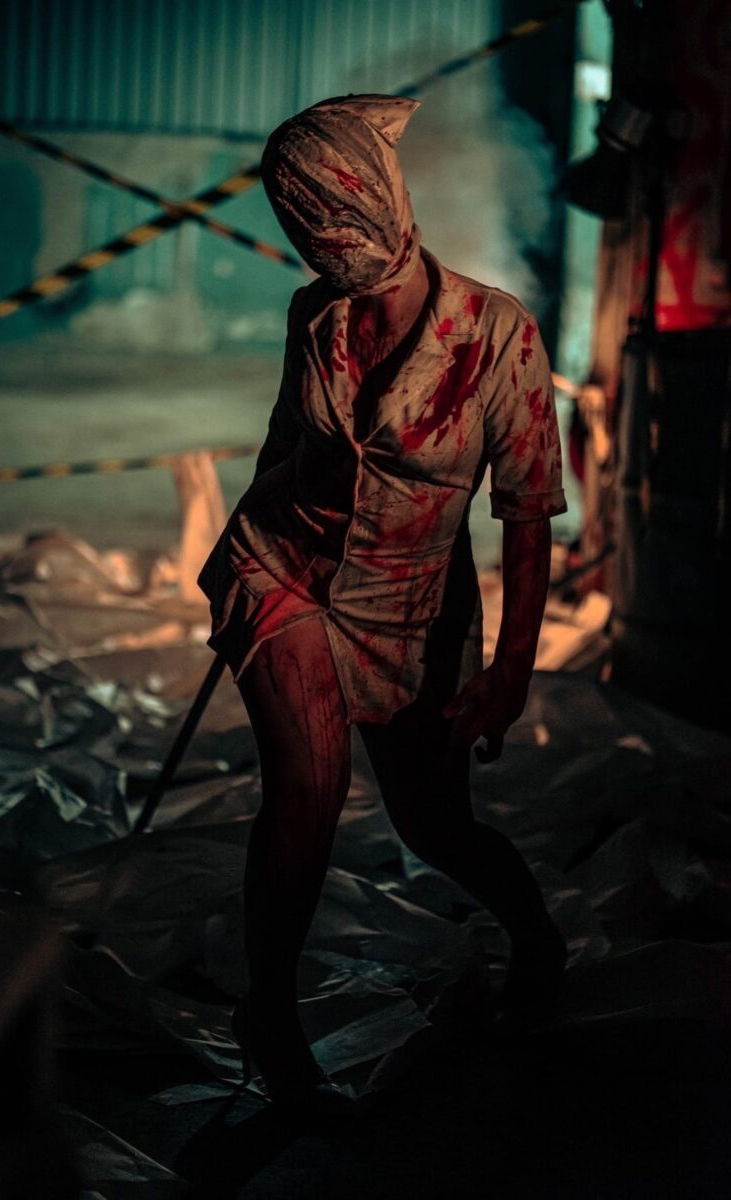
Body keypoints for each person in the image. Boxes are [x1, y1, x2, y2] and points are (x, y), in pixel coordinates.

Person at [198, 94, 568, 1109]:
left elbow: (527, 512)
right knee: (307, 785)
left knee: (433, 823)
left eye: (331, 215)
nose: (319, 241)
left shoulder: (495, 335)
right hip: (284, 571)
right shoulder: (312, 315)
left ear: (379, 198)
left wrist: (511, 670)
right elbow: (285, 444)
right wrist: (233, 564)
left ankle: (538, 940)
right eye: (300, 223)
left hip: (413, 609)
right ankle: (271, 1021)